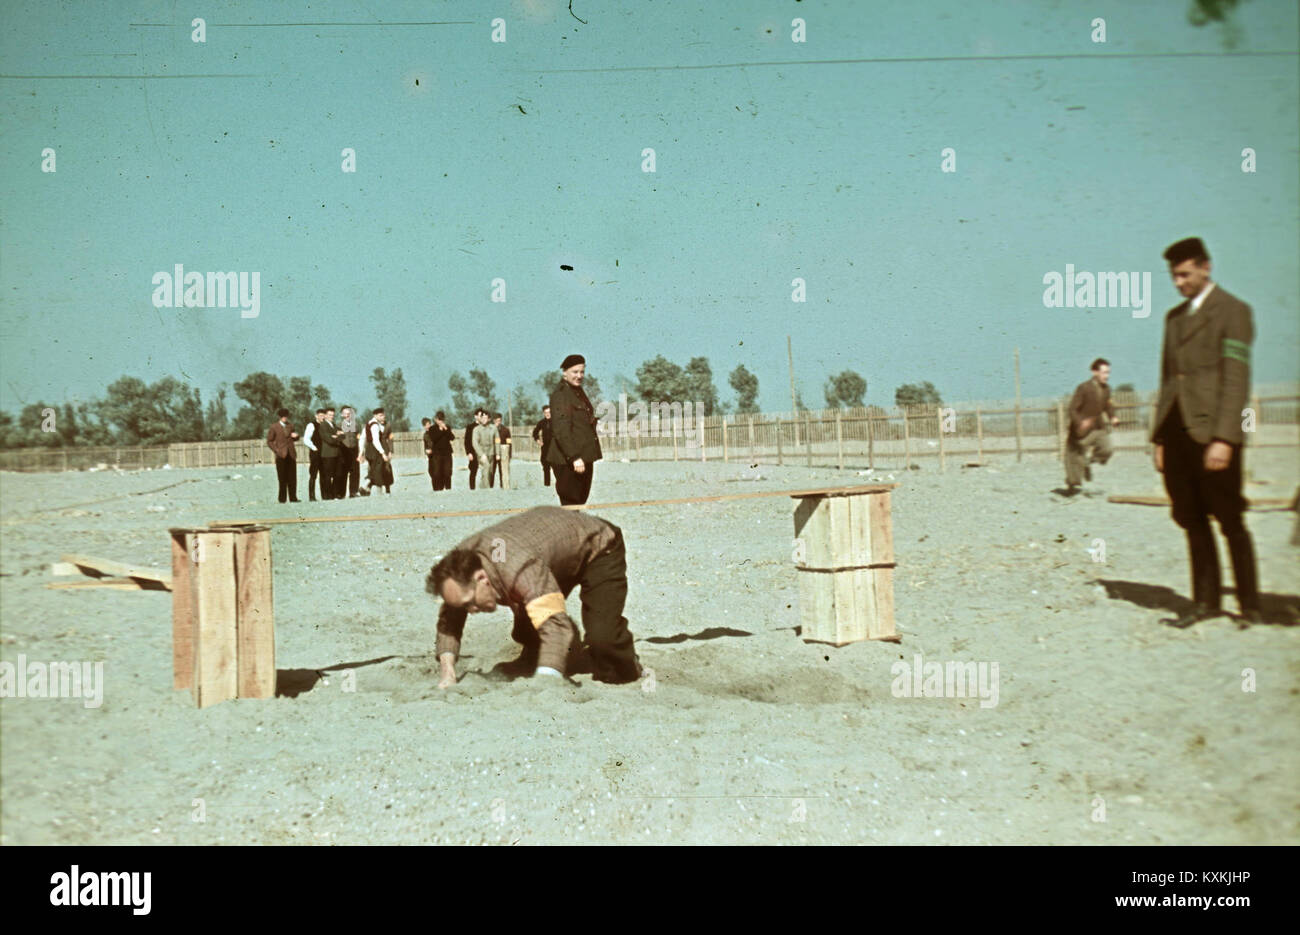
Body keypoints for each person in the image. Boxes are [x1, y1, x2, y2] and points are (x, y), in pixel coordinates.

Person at [1151, 237, 1260, 629]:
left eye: (1185, 274)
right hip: (1178, 435)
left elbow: (1236, 381)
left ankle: (1250, 606)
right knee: (1191, 518)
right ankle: (1205, 602)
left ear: (1206, 267)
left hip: (1213, 436)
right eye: (1173, 276)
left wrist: (1225, 438)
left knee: (1230, 519)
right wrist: (1160, 439)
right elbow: (1167, 381)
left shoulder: (1234, 312)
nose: (1178, 283)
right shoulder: (1173, 318)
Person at [426, 506, 641, 686]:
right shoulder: (457, 568)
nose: (471, 611)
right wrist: (448, 673)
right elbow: (449, 619)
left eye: (470, 603)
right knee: (527, 629)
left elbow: (555, 627)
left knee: (603, 637)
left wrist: (545, 683)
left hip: (598, 548)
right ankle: (552, 657)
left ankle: (632, 669)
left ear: (482, 578)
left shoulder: (519, 569)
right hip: (547, 555)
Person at [547, 354, 602, 505]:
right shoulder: (561, 395)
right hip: (569, 461)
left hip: (583, 457)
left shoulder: (576, 391)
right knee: (570, 504)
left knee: (579, 503)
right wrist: (574, 457)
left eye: (582, 372)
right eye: (575, 372)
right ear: (564, 373)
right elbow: (561, 430)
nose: (579, 376)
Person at [1064, 359, 1119, 494]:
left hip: (1098, 428)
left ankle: (1089, 462)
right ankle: (1073, 485)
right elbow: (1072, 409)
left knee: (1107, 449)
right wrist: (1080, 423)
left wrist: (1113, 417)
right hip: (1080, 431)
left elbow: (1107, 406)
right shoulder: (1084, 388)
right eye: (1104, 372)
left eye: (1108, 372)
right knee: (1073, 458)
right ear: (1094, 372)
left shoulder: (1107, 389)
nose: (1107, 376)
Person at [265, 408, 300, 503]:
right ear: (279, 417)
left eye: (286, 416)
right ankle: (282, 499)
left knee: (292, 477)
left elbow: (294, 438)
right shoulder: (274, 427)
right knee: (282, 478)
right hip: (281, 455)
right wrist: (277, 450)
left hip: (291, 454)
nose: (285, 418)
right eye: (283, 416)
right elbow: (269, 441)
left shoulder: (290, 426)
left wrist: (296, 436)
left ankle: (293, 498)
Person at [359, 408, 392, 496]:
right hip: (375, 451)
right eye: (380, 416)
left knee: (374, 470)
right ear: (375, 416)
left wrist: (361, 452)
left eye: (383, 415)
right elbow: (375, 441)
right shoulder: (375, 425)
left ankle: (367, 487)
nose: (382, 417)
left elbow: (362, 438)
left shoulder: (368, 424)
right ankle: (366, 486)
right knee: (377, 471)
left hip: (369, 451)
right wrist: (382, 453)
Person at [336, 406, 362, 498]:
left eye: (349, 413)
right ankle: (341, 493)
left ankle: (353, 492)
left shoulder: (357, 425)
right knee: (343, 472)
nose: (347, 415)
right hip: (344, 450)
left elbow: (359, 438)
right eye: (345, 413)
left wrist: (360, 452)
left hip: (354, 450)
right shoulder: (338, 425)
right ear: (342, 414)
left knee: (355, 472)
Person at [427, 411, 455, 491]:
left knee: (447, 472)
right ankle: (438, 489)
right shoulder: (432, 429)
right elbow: (434, 438)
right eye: (439, 419)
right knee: (437, 472)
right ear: (435, 419)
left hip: (447, 453)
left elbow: (452, 437)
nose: (440, 421)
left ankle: (448, 488)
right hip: (437, 454)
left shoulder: (447, 427)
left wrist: (446, 429)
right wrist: (440, 430)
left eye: (442, 419)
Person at [319, 406, 342, 500]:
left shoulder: (334, 424)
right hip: (328, 454)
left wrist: (336, 436)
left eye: (333, 415)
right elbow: (328, 439)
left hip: (336, 453)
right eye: (329, 415)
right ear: (325, 415)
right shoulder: (323, 425)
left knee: (337, 474)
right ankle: (328, 495)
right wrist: (336, 436)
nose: (331, 416)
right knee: (328, 475)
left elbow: (342, 436)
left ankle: (335, 494)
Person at [472, 409, 497, 490]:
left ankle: (483, 487)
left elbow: (497, 441)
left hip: (491, 452)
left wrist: (498, 453)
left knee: (490, 472)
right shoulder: (476, 429)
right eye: (482, 418)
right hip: (482, 453)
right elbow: (475, 443)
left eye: (486, 418)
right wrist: (481, 454)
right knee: (486, 467)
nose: (484, 420)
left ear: (489, 419)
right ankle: (486, 489)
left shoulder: (493, 428)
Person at [303, 409, 324, 501]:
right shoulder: (311, 425)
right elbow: (306, 439)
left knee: (324, 475)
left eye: (323, 415)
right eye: (320, 415)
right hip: (315, 453)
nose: (322, 417)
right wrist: (314, 448)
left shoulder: (325, 426)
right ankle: (311, 496)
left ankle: (325, 496)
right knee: (313, 474)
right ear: (316, 416)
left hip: (324, 453)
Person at [532, 405, 554, 486]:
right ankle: (547, 484)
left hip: (555, 447)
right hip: (545, 447)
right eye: (545, 413)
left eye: (549, 412)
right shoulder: (541, 422)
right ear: (543, 413)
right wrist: (538, 440)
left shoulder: (556, 421)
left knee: (557, 466)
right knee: (545, 465)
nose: (547, 414)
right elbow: (535, 432)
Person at [491, 412, 512, 489]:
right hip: (493, 453)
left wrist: (509, 454)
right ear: (494, 421)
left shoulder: (506, 430)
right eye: (496, 420)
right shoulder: (491, 430)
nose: (498, 422)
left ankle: (503, 485)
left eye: (499, 420)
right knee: (492, 471)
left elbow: (509, 442)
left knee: (502, 471)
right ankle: (491, 486)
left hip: (503, 452)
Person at [464, 412, 480, 490]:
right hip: (473, 452)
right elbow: (467, 441)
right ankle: (472, 488)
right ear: (475, 416)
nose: (481, 417)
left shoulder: (485, 426)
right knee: (473, 470)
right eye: (479, 415)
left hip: (483, 452)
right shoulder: (470, 427)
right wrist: (469, 453)